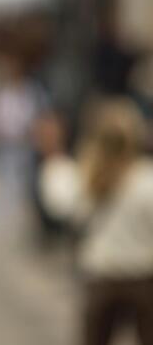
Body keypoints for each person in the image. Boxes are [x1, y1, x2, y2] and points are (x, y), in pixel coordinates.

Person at [40, 98, 153, 345]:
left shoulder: (86, 176)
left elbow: (61, 206)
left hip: (101, 276)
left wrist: (53, 155)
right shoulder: (146, 178)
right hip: (144, 277)